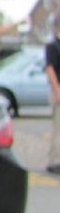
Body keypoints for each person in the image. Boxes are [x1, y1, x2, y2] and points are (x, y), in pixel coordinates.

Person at [45, 17, 60, 174]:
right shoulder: (52, 46)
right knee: (58, 127)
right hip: (58, 88)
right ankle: (54, 160)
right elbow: (50, 69)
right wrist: (57, 90)